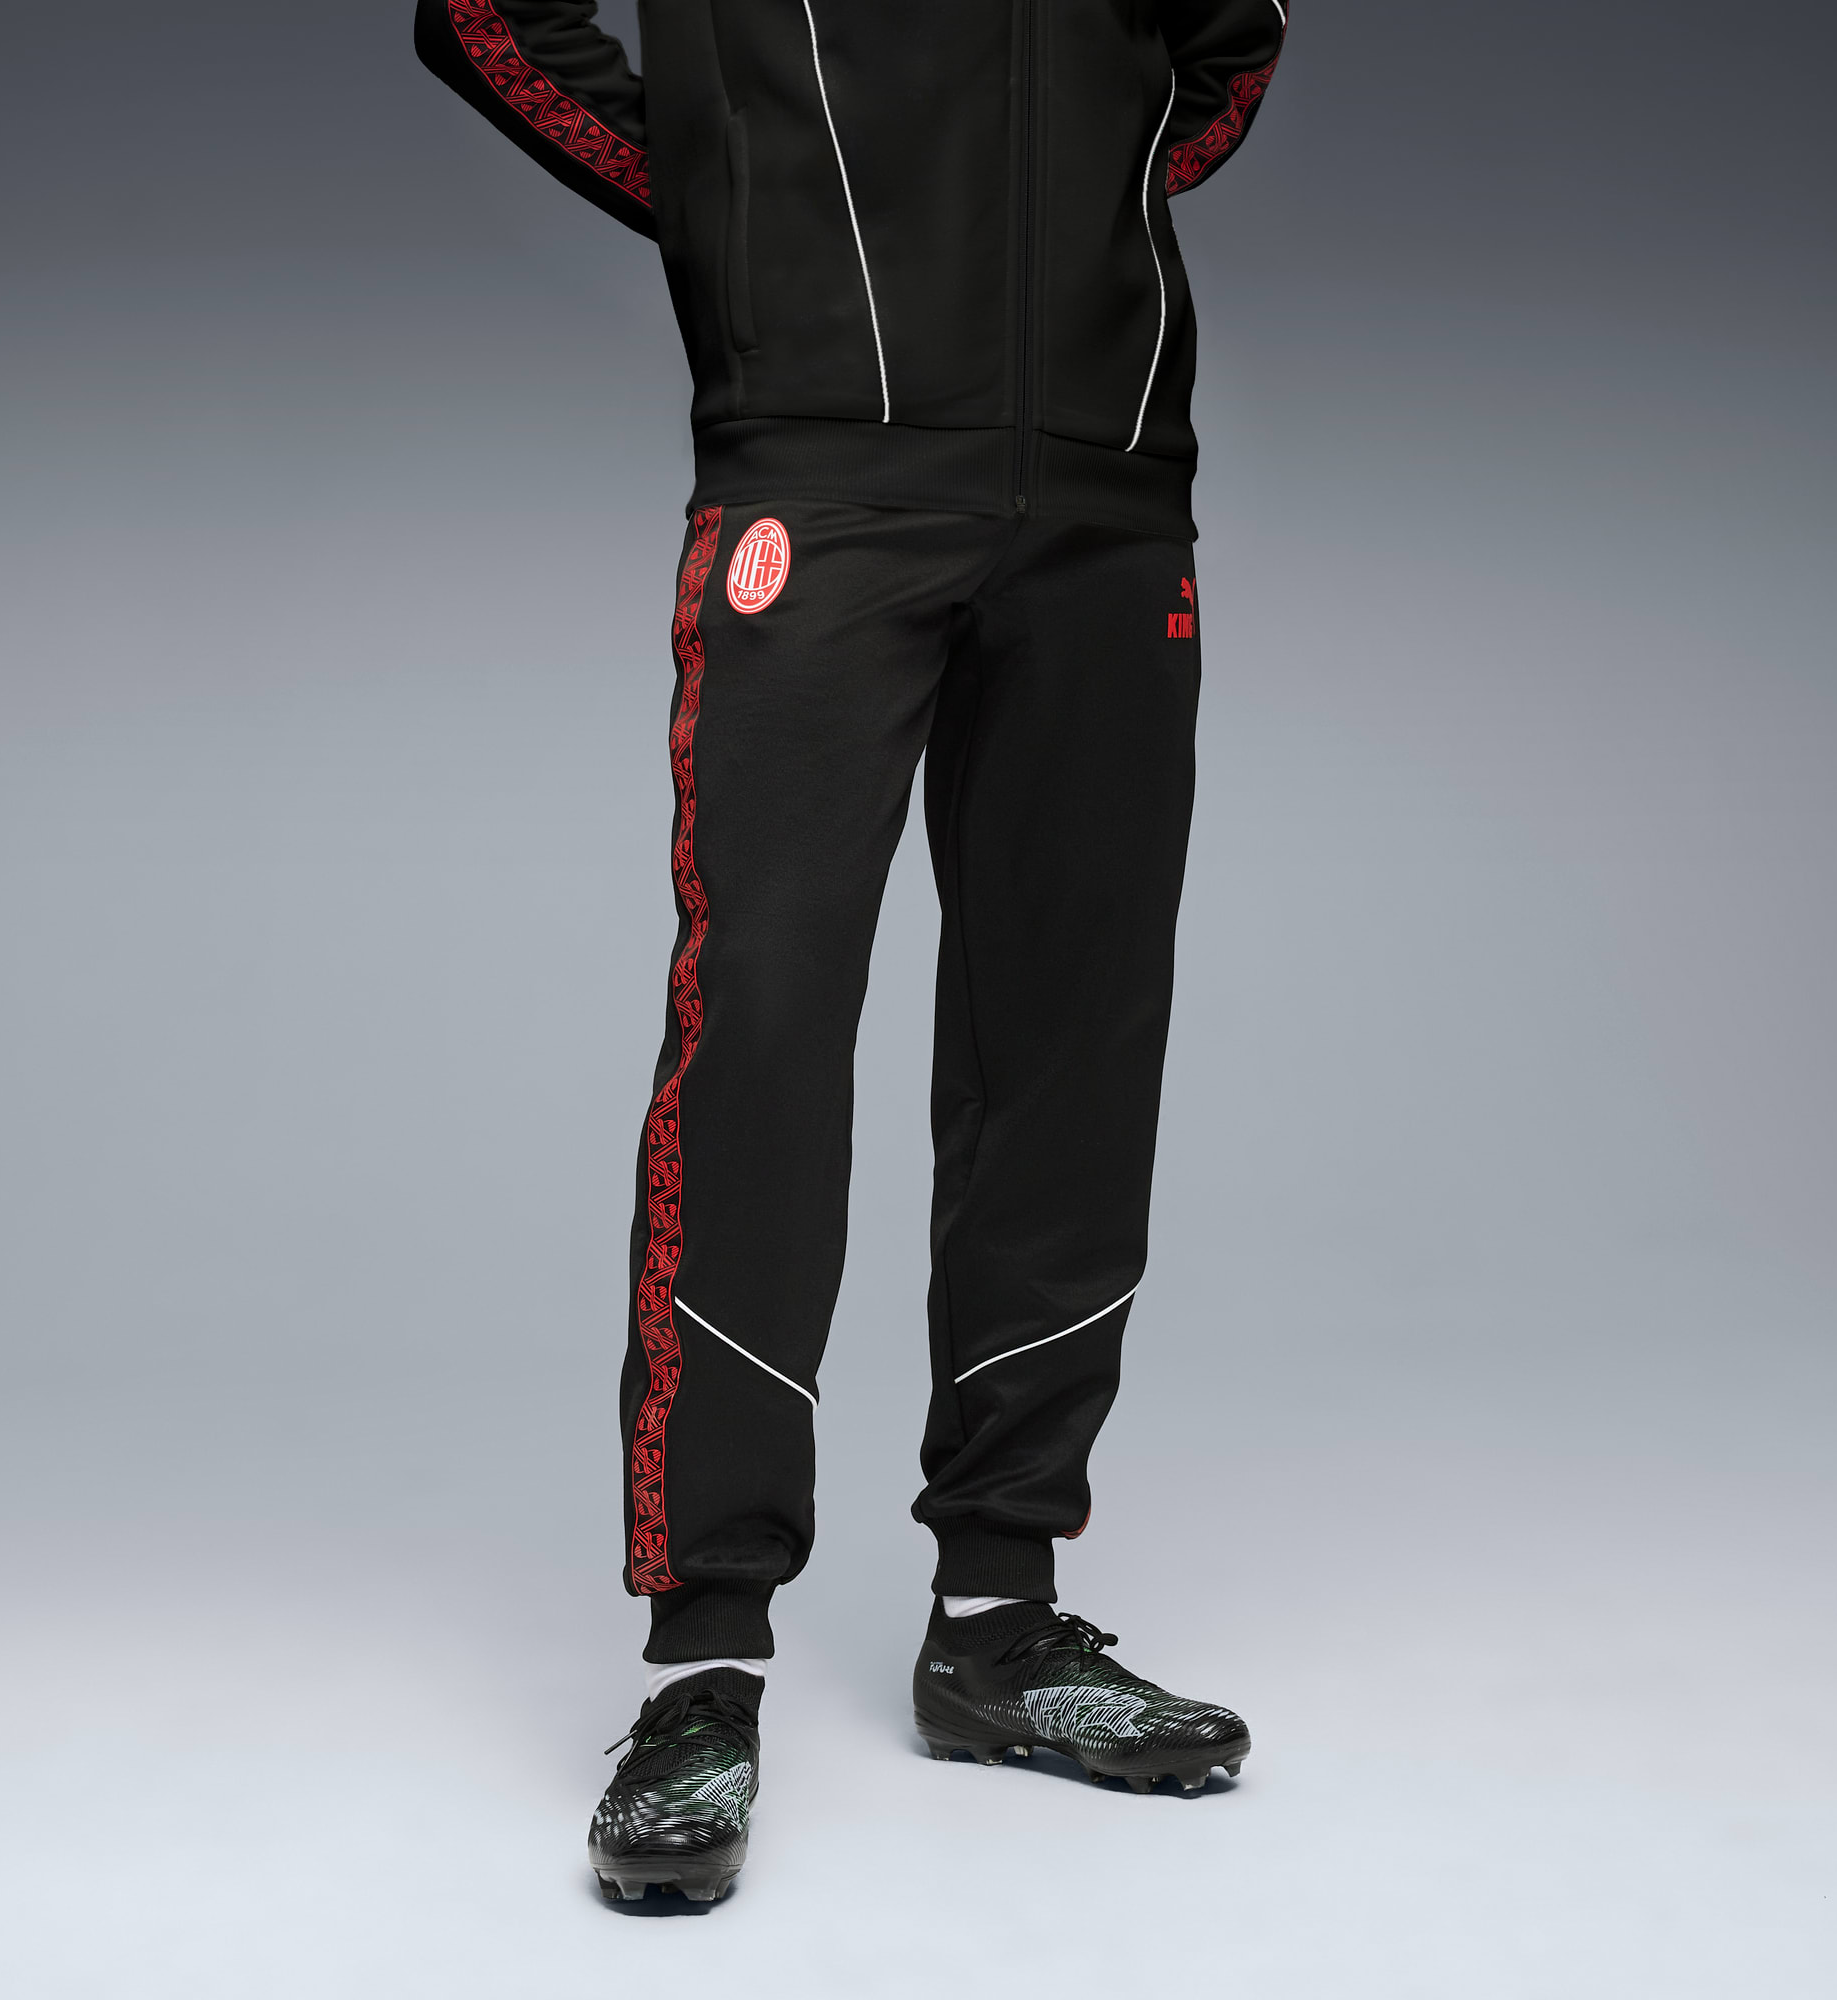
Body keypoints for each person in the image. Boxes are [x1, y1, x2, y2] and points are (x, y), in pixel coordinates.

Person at [416, 0, 1289, 1903]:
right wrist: (742, 202)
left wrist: (1067, 210)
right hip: (823, 487)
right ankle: (703, 1665)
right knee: (767, 1036)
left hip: (1107, 496)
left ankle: (999, 1620)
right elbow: (482, 15)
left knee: (1072, 1045)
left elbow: (1225, 54)